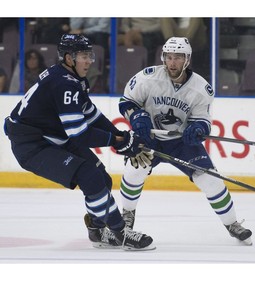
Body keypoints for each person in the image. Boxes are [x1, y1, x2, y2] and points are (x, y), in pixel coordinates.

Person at [3, 34, 155, 251]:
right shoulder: (64, 84)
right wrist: (118, 141)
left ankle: (97, 230)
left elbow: (92, 115)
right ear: (68, 58)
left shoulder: (72, 78)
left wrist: (120, 136)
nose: (90, 60)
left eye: (90, 55)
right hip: (32, 146)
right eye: (84, 56)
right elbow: (80, 134)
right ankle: (121, 233)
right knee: (89, 176)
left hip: (52, 137)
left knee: (101, 178)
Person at [118, 37, 252, 245]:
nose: (172, 63)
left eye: (178, 58)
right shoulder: (147, 78)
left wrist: (198, 127)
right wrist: (136, 116)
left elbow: (203, 119)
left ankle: (232, 223)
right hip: (149, 137)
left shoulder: (201, 88)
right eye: (169, 57)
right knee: (135, 170)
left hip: (181, 142)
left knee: (210, 179)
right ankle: (127, 215)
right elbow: (127, 102)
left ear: (187, 59)